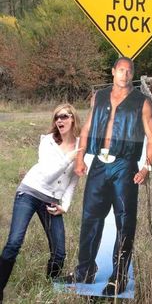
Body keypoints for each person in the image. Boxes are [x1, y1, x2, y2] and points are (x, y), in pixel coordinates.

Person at [63, 57, 152, 296]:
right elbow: (87, 128)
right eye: (121, 70)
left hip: (124, 165)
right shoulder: (100, 97)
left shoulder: (142, 102)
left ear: (132, 74)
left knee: (125, 223)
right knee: (90, 219)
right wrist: (79, 157)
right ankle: (85, 270)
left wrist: (146, 167)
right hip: (98, 164)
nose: (125, 74)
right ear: (113, 72)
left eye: (129, 71)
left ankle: (118, 278)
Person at [0, 103, 81, 304]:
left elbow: (73, 180)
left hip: (52, 201)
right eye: (56, 118)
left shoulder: (81, 145)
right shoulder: (47, 142)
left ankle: (52, 284)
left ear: (73, 118)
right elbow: (47, 175)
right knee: (14, 243)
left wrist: (66, 205)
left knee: (60, 253)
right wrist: (71, 156)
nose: (59, 120)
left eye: (63, 116)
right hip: (29, 192)